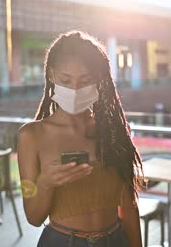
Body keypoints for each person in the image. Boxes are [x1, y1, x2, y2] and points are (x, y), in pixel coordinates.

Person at [18, 31, 144, 247]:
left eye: (85, 80)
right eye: (66, 80)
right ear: (52, 75)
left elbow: (129, 207)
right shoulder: (31, 136)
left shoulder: (113, 131)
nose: (75, 89)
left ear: (98, 79)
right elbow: (33, 217)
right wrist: (46, 183)